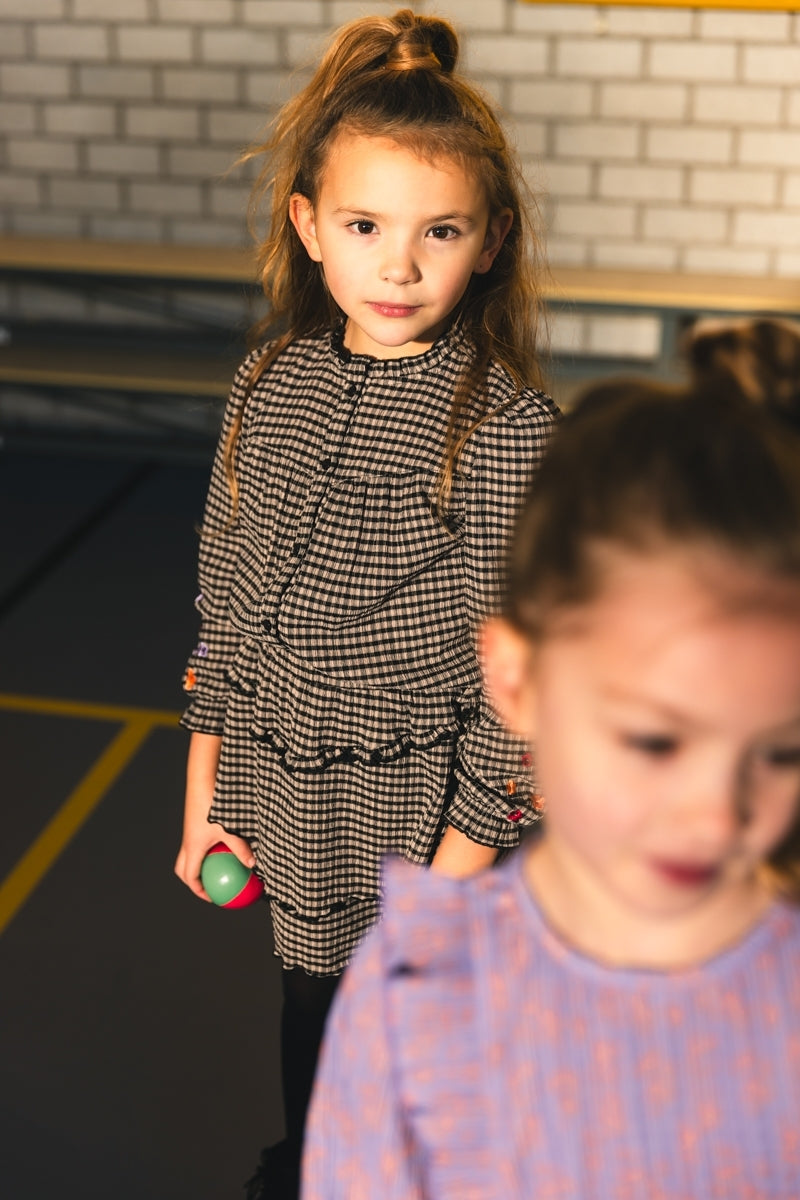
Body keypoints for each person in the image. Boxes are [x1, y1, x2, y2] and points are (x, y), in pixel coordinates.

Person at [173, 8, 558, 1196]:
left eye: (438, 231)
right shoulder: (268, 382)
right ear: (308, 226)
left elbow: (521, 701)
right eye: (364, 226)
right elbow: (224, 612)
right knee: (312, 1023)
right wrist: (203, 802)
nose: (398, 267)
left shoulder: (504, 430)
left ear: (489, 241)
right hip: (290, 804)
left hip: (423, 839)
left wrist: (444, 890)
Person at [302, 367, 800, 1198]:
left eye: (782, 754)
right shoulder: (418, 989)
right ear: (517, 681)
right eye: (653, 741)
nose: (717, 817)